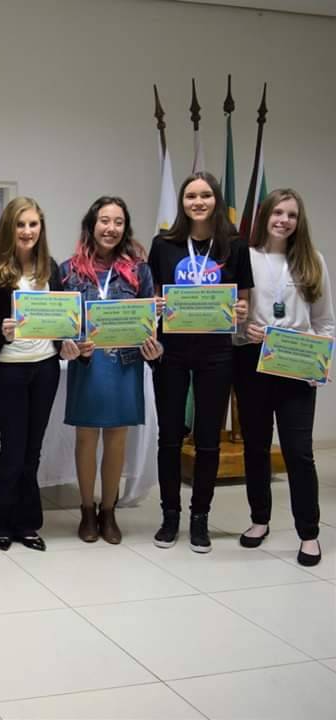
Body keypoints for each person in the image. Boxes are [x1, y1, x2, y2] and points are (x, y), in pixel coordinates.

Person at [147, 171, 251, 553]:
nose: (198, 202)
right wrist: (155, 305)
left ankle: (200, 517)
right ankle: (170, 515)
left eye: (205, 195)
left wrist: (241, 310)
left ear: (216, 200)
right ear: (182, 202)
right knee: (170, 437)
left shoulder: (234, 246)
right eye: (191, 196)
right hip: (172, 351)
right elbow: (153, 294)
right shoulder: (164, 244)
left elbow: (244, 300)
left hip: (217, 352)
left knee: (208, 440)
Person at [233, 189, 332, 566]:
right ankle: (260, 520)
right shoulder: (246, 256)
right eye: (277, 212)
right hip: (252, 362)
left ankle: (309, 533)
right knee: (256, 446)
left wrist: (318, 362)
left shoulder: (312, 260)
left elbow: (325, 322)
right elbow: (232, 314)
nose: (284, 220)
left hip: (297, 364)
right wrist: (244, 330)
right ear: (265, 216)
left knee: (299, 452)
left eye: (291, 214)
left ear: (299, 220)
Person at [60, 197, 162, 543]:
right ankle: (87, 510)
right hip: (88, 363)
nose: (111, 228)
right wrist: (69, 343)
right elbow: (61, 323)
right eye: (104, 220)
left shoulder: (140, 271)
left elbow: (150, 322)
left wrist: (154, 342)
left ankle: (108, 510)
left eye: (118, 222)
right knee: (86, 438)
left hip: (125, 363)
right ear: (92, 225)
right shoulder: (68, 271)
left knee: (118, 439)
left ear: (125, 228)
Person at [0, 196, 72, 552]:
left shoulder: (51, 270)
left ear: (41, 228)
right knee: (13, 449)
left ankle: (27, 523)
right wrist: (1, 331)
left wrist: (68, 341)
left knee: (33, 451)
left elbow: (62, 320)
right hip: (9, 371)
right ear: (9, 228)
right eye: (20, 224)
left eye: (33, 224)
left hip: (45, 368)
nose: (27, 231)